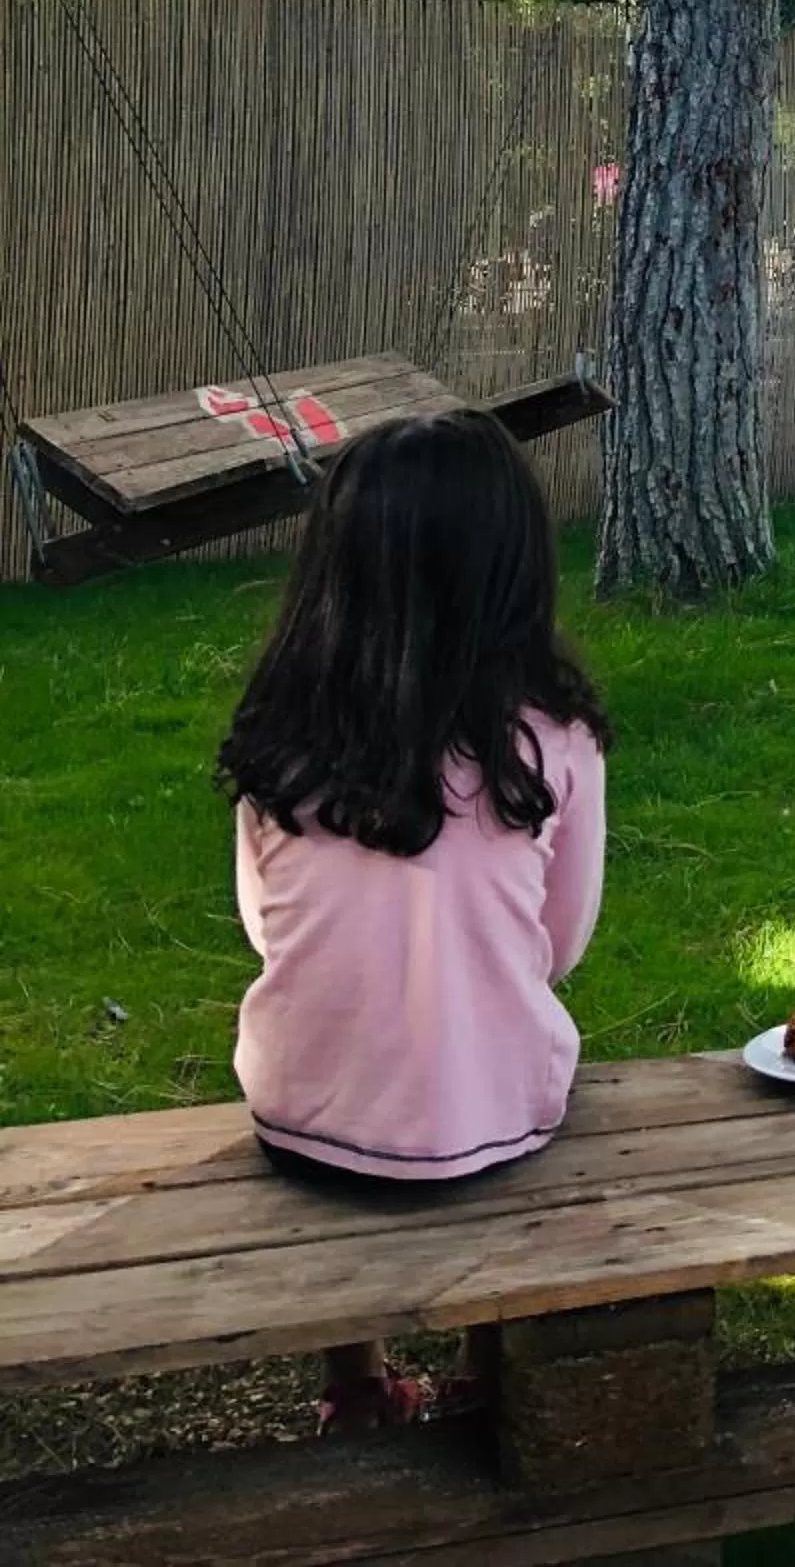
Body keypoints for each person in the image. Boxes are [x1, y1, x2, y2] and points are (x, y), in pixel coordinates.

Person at [217, 410, 609, 1433]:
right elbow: (559, 949)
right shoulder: (557, 743)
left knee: (356, 1061)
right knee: (489, 1064)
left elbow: (269, 933)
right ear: (516, 569)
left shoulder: (278, 742)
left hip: (299, 1124)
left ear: (329, 573)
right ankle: (484, 1371)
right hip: (496, 1122)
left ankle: (356, 1387)